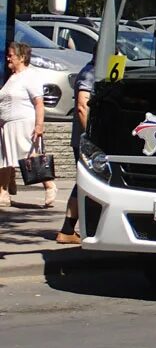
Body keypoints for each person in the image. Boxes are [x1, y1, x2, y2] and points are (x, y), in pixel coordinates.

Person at [0, 42, 56, 207]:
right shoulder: (13, 77)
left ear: (22, 57)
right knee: (5, 160)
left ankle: (49, 186)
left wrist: (39, 125)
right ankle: (3, 192)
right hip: (8, 126)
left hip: (24, 124)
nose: (8, 58)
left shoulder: (30, 76)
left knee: (30, 158)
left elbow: (39, 103)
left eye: (11, 55)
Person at [56, 60, 95, 243]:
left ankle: (69, 228)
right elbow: (82, 106)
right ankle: (67, 229)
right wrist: (92, 137)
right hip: (87, 141)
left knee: (83, 183)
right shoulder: (90, 73)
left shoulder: (91, 70)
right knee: (84, 183)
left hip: (85, 140)